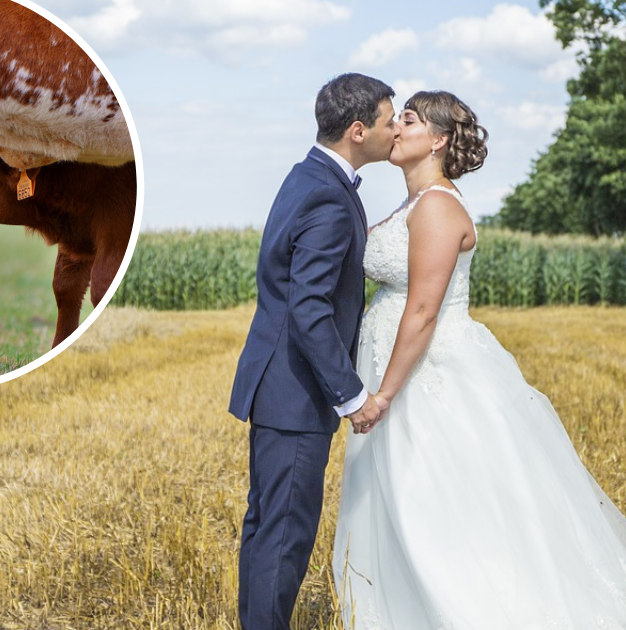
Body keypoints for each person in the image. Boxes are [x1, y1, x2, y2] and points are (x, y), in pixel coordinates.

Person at [331, 90, 626, 629]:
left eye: (408, 120)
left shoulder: (438, 206)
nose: (396, 128)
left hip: (426, 372)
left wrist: (384, 393)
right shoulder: (412, 204)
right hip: (396, 366)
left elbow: (421, 311)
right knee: (400, 500)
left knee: (435, 502)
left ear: (437, 139)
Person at [228, 72, 398, 630]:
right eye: (388, 119)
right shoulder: (327, 192)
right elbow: (309, 309)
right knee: (285, 533)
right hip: (296, 393)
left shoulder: (309, 176)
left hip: (278, 387)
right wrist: (352, 397)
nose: (394, 129)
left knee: (268, 525)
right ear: (357, 130)